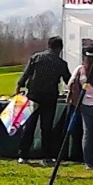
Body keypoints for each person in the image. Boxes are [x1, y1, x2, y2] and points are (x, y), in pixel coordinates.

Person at [16, 36, 71, 166]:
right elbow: (68, 80)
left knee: (29, 126)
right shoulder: (61, 63)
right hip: (50, 97)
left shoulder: (36, 57)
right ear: (60, 48)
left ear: (48, 45)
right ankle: (46, 157)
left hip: (34, 95)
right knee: (46, 128)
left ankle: (23, 155)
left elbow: (26, 73)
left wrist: (19, 85)